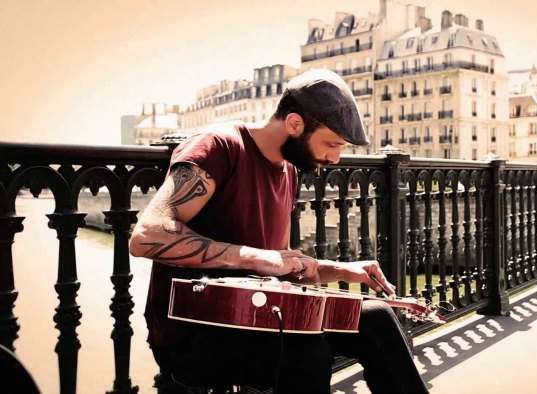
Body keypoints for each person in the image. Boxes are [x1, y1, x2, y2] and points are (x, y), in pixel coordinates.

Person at [128, 69, 429, 394]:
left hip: (257, 314)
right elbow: (146, 236)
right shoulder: (218, 146)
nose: (335, 158)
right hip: (194, 328)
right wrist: (256, 258)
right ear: (295, 124)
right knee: (305, 349)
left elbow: (280, 270)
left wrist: (341, 270)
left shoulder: (288, 172)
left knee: (377, 318)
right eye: (331, 144)